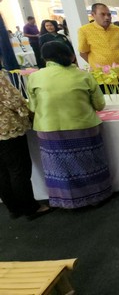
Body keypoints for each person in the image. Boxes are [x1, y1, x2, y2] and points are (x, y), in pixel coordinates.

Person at [27, 41, 112, 209]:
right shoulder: (83, 76)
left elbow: (33, 107)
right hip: (83, 128)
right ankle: (96, 196)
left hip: (49, 129)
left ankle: (65, 200)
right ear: (71, 56)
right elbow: (99, 105)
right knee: (90, 164)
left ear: (44, 58)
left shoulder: (35, 77)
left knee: (59, 168)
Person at [0, 75, 52, 220]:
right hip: (7, 129)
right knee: (18, 169)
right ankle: (30, 208)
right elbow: (13, 100)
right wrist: (27, 112)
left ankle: (13, 208)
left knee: (2, 172)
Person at [78, 3, 119, 68]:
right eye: (102, 14)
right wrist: (94, 64)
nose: (107, 17)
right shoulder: (84, 31)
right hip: (100, 74)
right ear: (93, 15)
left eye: (109, 14)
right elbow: (83, 53)